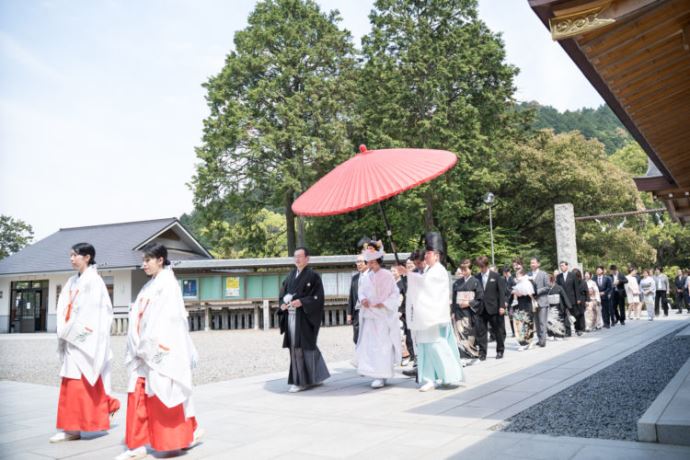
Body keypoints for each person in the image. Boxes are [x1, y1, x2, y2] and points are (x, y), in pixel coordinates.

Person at [118, 243, 202, 460]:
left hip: (158, 350)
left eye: (148, 260)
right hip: (143, 349)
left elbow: (167, 321)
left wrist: (147, 347)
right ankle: (140, 442)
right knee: (142, 394)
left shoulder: (167, 285)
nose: (143, 264)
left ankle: (170, 438)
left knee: (163, 393)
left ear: (160, 260)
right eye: (143, 260)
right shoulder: (151, 285)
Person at [50, 243, 120, 444]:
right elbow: (64, 305)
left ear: (87, 257)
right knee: (72, 383)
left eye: (75, 255)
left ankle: (79, 426)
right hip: (70, 335)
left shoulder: (94, 281)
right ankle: (74, 426)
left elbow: (97, 313)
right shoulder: (72, 281)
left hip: (84, 339)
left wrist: (75, 330)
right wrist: (63, 327)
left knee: (82, 382)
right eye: (70, 255)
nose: (72, 259)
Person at [398, 232, 463, 392]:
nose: (425, 256)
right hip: (424, 316)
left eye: (428, 253)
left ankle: (448, 375)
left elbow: (426, 284)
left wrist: (407, 274)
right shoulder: (429, 270)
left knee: (435, 346)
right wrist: (410, 275)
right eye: (426, 253)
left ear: (437, 255)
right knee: (425, 348)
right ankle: (430, 378)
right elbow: (420, 284)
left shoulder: (438, 271)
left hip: (433, 316)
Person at [278, 247, 330, 393]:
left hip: (305, 317)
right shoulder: (290, 276)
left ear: (307, 258)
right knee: (296, 347)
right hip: (292, 316)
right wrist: (282, 303)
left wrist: (302, 302)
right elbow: (282, 293)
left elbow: (318, 297)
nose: (297, 259)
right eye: (295, 257)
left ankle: (301, 382)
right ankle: (316, 377)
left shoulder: (313, 276)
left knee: (303, 347)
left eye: (300, 256)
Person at [356, 242, 401, 389]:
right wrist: (362, 299)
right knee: (370, 345)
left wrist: (386, 303)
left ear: (379, 262)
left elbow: (395, 293)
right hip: (370, 314)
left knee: (383, 345)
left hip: (382, 314)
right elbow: (361, 291)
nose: (371, 264)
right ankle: (374, 373)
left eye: (374, 262)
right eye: (369, 262)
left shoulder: (387, 275)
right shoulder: (365, 277)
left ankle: (383, 374)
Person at [451, 259, 483, 365]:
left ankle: (473, 355)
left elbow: (480, 297)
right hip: (459, 312)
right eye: (462, 269)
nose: (463, 271)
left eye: (466, 269)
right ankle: (463, 356)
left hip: (470, 312)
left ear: (471, 270)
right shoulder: (457, 283)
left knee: (469, 333)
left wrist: (469, 303)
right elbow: (454, 298)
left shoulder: (475, 281)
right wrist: (452, 312)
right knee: (459, 335)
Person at [476, 256, 507, 358]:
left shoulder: (496, 276)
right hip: (481, 308)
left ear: (486, 265)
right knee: (482, 332)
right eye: (479, 267)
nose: (481, 269)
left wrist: (502, 306)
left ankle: (500, 350)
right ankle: (482, 352)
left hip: (494, 307)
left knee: (497, 330)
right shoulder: (476, 277)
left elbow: (501, 292)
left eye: (483, 266)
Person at [511, 268, 536, 350]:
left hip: (527, 304)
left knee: (528, 322)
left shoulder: (527, 282)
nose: (516, 276)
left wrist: (523, 293)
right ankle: (523, 342)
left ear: (522, 274)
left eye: (518, 274)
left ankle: (529, 341)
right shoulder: (518, 283)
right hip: (519, 304)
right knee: (521, 323)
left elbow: (531, 293)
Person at [347, 252, 368, 344]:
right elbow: (351, 296)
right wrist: (349, 313)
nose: (358, 264)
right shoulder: (355, 278)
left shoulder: (372, 275)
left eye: (360, 262)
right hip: (357, 311)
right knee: (357, 337)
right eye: (357, 262)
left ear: (366, 262)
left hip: (370, 311)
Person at [528, 257, 549, 348]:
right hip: (532, 301)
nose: (532, 264)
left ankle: (543, 341)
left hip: (542, 301)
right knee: (536, 322)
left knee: (542, 322)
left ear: (538, 264)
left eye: (533, 263)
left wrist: (537, 291)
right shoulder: (528, 274)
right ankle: (539, 338)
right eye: (531, 263)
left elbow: (547, 287)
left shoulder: (544, 274)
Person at [556, 261, 580, 336]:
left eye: (563, 265)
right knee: (565, 315)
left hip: (572, 298)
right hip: (563, 299)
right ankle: (568, 331)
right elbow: (558, 288)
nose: (561, 267)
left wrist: (578, 298)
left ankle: (578, 329)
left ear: (567, 266)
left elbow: (576, 288)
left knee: (575, 314)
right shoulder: (559, 276)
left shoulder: (572, 275)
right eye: (560, 266)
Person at [546, 273, 571, 339]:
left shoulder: (559, 287)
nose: (547, 283)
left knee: (559, 321)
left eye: (547, 281)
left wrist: (568, 306)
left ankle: (559, 334)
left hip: (559, 306)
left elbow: (564, 297)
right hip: (551, 307)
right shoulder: (547, 289)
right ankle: (552, 334)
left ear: (552, 281)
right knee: (551, 321)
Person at [502, 266, 516, 338]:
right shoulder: (503, 279)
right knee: (509, 317)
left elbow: (513, 291)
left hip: (512, 301)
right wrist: (505, 301)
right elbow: (503, 291)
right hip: (506, 301)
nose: (504, 274)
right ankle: (513, 331)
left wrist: (507, 301)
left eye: (505, 272)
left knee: (513, 316)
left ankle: (515, 331)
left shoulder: (512, 279)